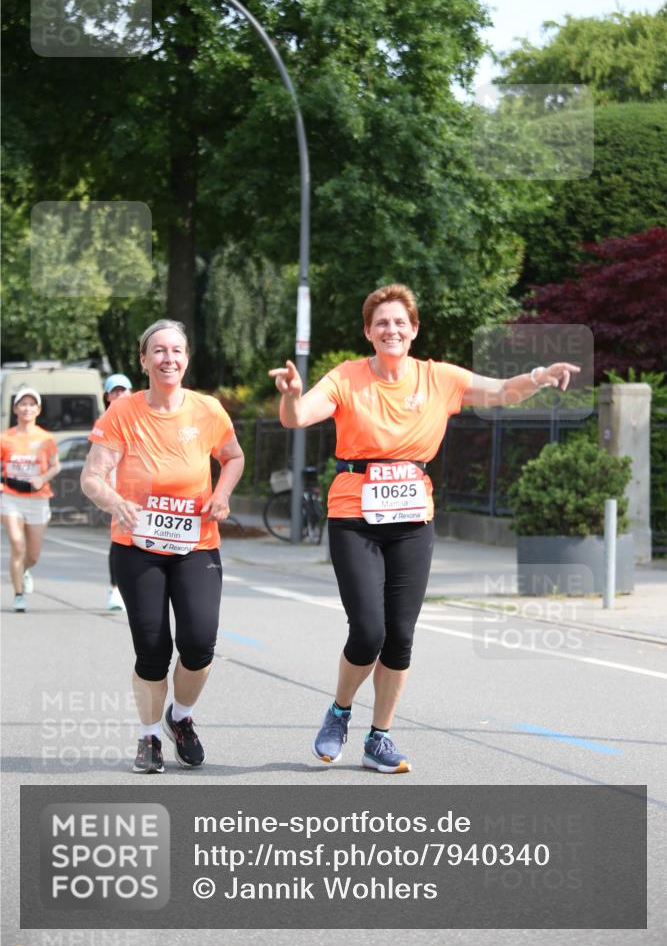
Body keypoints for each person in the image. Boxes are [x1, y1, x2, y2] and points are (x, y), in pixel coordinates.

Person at [270, 284, 579, 774]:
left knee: (400, 636)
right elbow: (299, 417)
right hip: (354, 517)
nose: (391, 330)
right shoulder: (346, 377)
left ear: (414, 330)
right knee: (368, 631)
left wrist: (541, 376)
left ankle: (380, 737)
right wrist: (290, 396)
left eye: (400, 322)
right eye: (381, 323)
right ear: (368, 332)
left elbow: (501, 391)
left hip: (413, 520)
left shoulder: (439, 378)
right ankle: (340, 711)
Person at [81, 320, 244, 774]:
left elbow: (233, 456)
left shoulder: (208, 410)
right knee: (152, 650)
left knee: (199, 642)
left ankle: (181, 717)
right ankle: (150, 734)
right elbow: (92, 477)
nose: (168, 358)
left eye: (176, 350)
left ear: (186, 359)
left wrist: (222, 494)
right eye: (158, 350)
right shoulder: (123, 412)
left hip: (196, 543)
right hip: (138, 545)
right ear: (143, 360)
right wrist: (115, 501)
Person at [1, 388, 61, 612]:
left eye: (31, 404)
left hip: (38, 499)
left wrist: (42, 478)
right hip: (11, 497)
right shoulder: (5, 438)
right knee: (17, 544)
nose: (27, 408)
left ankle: (24, 570)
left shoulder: (46, 438)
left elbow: (56, 466)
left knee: (33, 555)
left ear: (38, 409)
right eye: (23, 404)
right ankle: (18, 595)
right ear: (15, 408)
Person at [102, 373, 133, 611]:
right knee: (120, 538)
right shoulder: (103, 422)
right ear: (108, 397)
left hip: (143, 487)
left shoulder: (142, 418)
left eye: (124, 390)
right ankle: (115, 590)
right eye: (115, 391)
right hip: (116, 489)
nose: (120, 395)